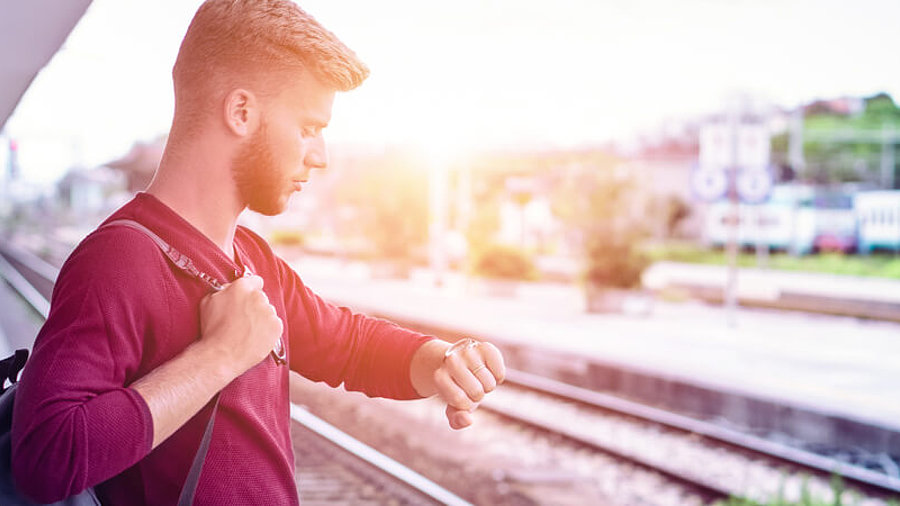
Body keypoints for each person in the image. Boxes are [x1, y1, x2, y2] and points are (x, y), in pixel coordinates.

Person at [10, 1, 505, 504]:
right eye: (310, 127)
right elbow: (46, 457)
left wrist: (441, 360)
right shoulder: (118, 259)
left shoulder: (251, 256)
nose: (321, 155)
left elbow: (346, 345)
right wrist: (218, 356)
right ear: (242, 111)